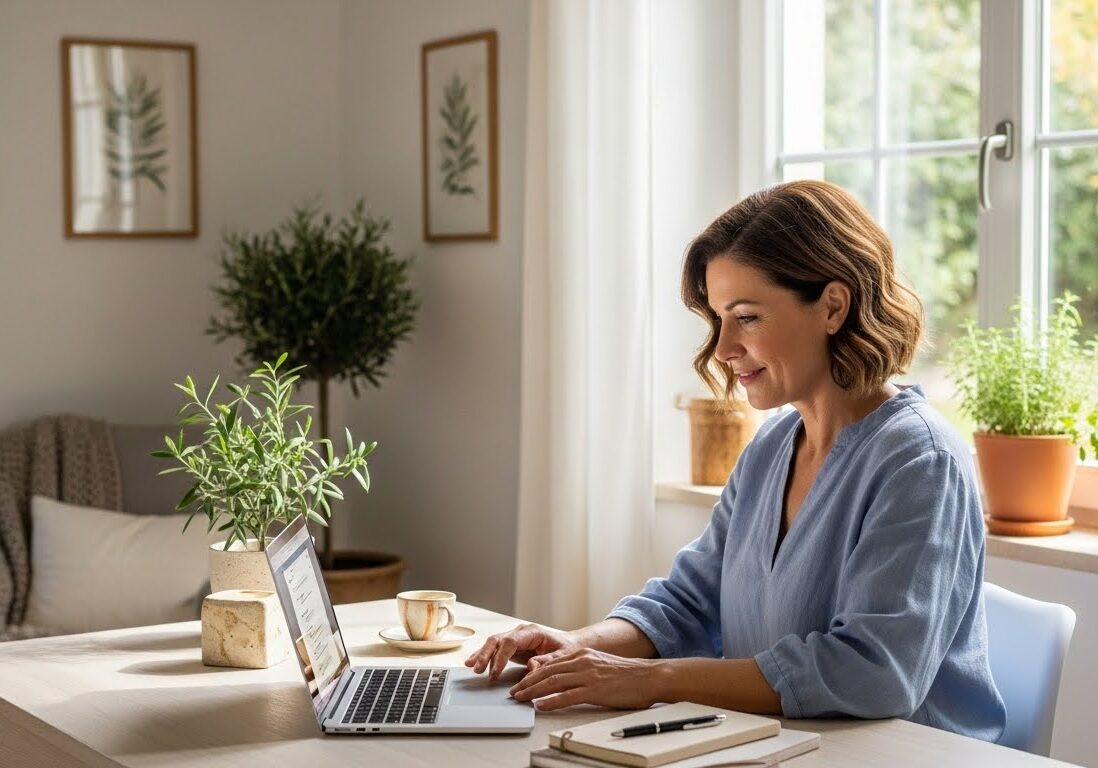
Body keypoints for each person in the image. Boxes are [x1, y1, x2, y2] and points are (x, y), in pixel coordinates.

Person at [465, 180, 1006, 742]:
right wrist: (577, 645)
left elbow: (872, 673)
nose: (723, 349)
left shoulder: (921, 461)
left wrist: (647, 681)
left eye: (746, 317)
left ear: (832, 306)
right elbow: (691, 601)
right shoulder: (773, 446)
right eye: (719, 320)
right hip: (782, 746)